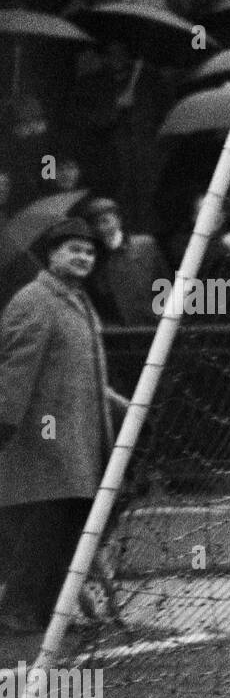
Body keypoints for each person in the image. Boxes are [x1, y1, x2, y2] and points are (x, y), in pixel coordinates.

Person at [0, 219, 128, 636]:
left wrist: (123, 404)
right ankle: (19, 611)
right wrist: (5, 423)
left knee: (68, 528)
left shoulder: (78, 300)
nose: (83, 257)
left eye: (89, 252)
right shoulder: (35, 300)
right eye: (74, 249)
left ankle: (48, 614)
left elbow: (83, 370)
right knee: (46, 528)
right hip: (47, 435)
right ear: (52, 254)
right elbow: (15, 369)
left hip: (77, 438)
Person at [78, 197, 171, 327]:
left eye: (105, 221)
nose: (101, 228)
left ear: (118, 220)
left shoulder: (145, 246)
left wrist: (164, 318)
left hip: (152, 326)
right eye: (95, 224)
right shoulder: (92, 258)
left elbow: (164, 283)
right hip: (118, 332)